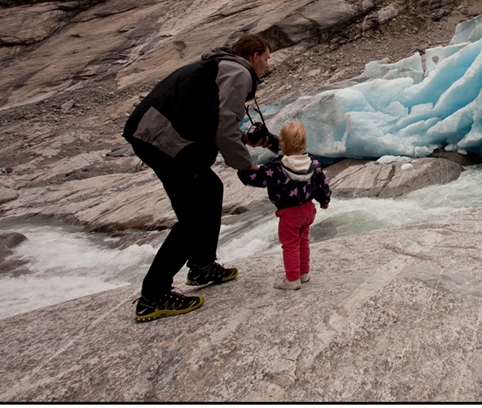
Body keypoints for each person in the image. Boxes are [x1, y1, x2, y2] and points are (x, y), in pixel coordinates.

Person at [123, 33, 278, 322]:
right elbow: (222, 125)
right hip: (162, 139)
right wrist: (246, 166)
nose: (267, 66)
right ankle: (154, 295)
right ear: (254, 56)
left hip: (154, 134)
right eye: (266, 59)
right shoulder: (239, 72)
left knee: (210, 188)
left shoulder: (219, 66)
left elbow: (212, 117)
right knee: (194, 216)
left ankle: (202, 264)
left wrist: (246, 140)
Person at [238, 122, 331, 290]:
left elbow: (258, 178)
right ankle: (304, 273)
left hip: (289, 213)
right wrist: (324, 201)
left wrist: (243, 171)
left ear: (283, 143)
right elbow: (322, 184)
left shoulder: (277, 165)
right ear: (303, 143)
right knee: (303, 241)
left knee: (290, 244)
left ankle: (292, 279)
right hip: (308, 210)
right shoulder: (313, 163)